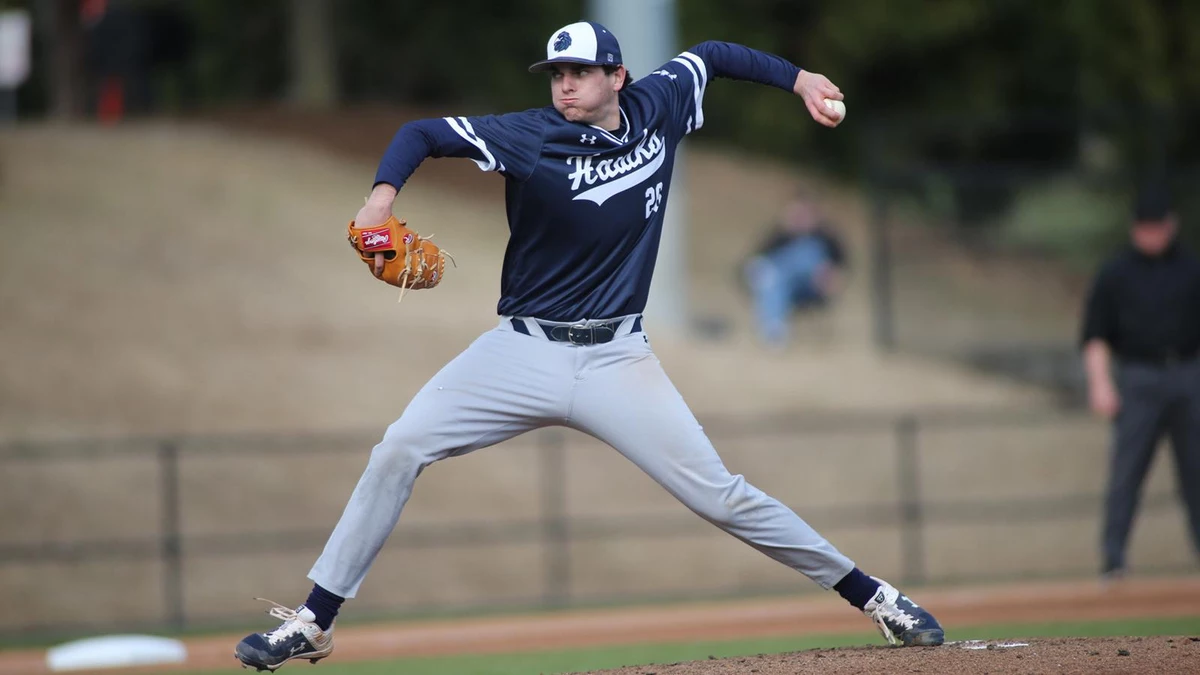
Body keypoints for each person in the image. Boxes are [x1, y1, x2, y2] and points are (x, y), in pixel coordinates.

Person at [234, 21, 944, 671]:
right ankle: (314, 620)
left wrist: (801, 80)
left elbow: (717, 56)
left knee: (723, 496)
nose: (564, 84)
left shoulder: (661, 106)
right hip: (520, 350)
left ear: (617, 77)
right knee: (397, 447)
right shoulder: (530, 135)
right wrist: (380, 199)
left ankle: (875, 596)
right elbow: (422, 132)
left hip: (617, 360)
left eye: (579, 71)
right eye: (556, 73)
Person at [1080, 182, 1200, 581]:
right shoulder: (1115, 272)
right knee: (1126, 471)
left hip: (1188, 374)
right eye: (1145, 227)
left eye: (1158, 226)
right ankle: (1114, 561)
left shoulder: (1192, 268)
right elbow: (1096, 333)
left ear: (1172, 225)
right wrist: (1100, 383)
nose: (1152, 235)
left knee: (1196, 471)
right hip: (1138, 377)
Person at [743, 191, 847, 346]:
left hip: (812, 285)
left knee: (808, 251)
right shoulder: (780, 236)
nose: (800, 218)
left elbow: (840, 268)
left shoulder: (825, 237)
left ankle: (773, 326)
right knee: (774, 282)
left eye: (804, 213)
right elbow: (758, 255)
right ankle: (775, 332)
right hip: (787, 288)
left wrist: (832, 277)